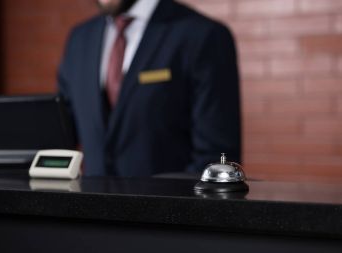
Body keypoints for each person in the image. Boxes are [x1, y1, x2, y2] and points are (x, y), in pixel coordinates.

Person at [57, 0, 241, 177]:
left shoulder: (203, 35)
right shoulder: (79, 39)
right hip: (90, 207)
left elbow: (216, 158)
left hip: (171, 206)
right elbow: (60, 139)